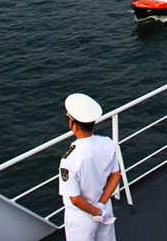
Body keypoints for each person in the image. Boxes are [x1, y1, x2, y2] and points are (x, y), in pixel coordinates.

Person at [59, 94, 121, 241]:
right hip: (104, 205)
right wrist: (101, 206)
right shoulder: (107, 143)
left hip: (82, 217)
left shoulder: (69, 159)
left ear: (73, 126)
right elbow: (115, 175)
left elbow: (75, 199)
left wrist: (96, 212)